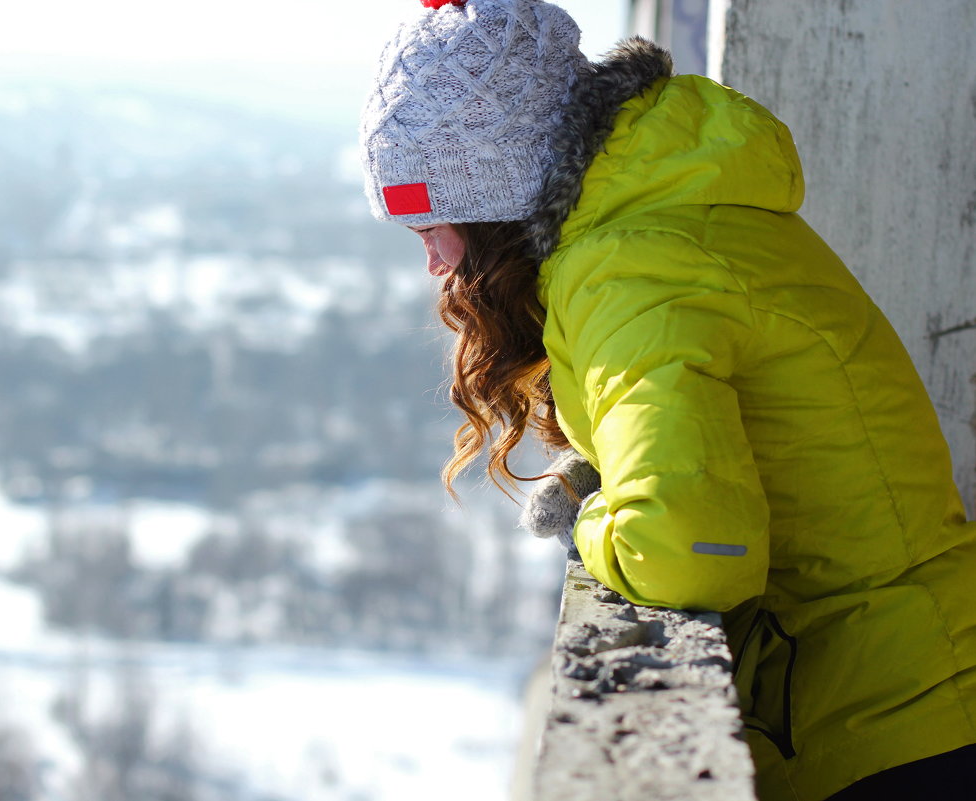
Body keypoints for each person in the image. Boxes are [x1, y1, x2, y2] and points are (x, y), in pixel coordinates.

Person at [359, 1, 976, 800]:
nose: (436, 263)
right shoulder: (666, 219)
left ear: (501, 190)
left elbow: (691, 549)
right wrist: (607, 466)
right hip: (909, 688)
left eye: (431, 222)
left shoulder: (626, 269)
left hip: (899, 724)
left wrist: (597, 523)